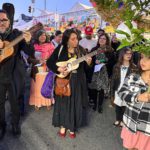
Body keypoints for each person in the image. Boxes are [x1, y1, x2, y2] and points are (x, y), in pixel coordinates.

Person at [46, 29, 92, 138]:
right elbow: (49, 62)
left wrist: (89, 63)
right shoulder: (61, 48)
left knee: (76, 103)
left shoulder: (81, 50)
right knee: (63, 103)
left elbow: (86, 69)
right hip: (64, 81)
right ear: (67, 40)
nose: (76, 41)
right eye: (73, 39)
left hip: (78, 81)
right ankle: (63, 125)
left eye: (77, 38)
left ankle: (72, 127)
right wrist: (59, 69)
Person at [0, 9, 34, 139]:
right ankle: (1, 125)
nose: (1, 22)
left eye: (4, 20)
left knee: (15, 103)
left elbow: (30, 52)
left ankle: (15, 124)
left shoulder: (17, 34)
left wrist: (28, 41)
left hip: (14, 75)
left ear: (9, 21)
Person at [118, 53, 150, 150]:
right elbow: (121, 92)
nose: (142, 61)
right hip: (131, 123)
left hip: (147, 128)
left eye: (148, 58)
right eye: (142, 57)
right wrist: (137, 98)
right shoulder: (133, 76)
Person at [88, 33, 115, 113]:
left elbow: (113, 62)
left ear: (107, 41)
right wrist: (93, 61)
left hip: (104, 72)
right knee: (94, 89)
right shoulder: (94, 49)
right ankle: (95, 104)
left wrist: (105, 61)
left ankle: (99, 105)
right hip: (95, 72)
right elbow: (89, 60)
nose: (102, 40)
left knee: (102, 90)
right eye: (100, 38)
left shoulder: (110, 50)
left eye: (104, 39)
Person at [111, 47, 138, 127]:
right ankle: (117, 119)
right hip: (118, 89)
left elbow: (135, 81)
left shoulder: (134, 67)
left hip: (127, 91)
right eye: (126, 53)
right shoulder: (116, 66)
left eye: (130, 53)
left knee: (125, 106)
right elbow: (113, 80)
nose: (129, 55)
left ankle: (122, 120)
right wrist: (111, 92)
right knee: (118, 105)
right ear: (122, 54)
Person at [29, 30, 55, 110]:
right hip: (36, 70)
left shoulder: (50, 45)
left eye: (44, 35)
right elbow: (29, 58)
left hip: (47, 69)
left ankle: (47, 102)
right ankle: (37, 103)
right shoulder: (33, 46)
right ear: (37, 37)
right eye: (41, 35)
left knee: (47, 86)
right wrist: (37, 61)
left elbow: (54, 57)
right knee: (37, 87)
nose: (43, 37)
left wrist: (49, 62)